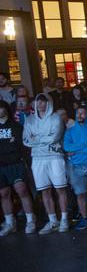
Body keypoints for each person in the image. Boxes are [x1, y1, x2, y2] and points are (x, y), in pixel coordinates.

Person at [24, 93, 69, 233]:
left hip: (54, 156)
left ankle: (64, 219)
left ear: (48, 103)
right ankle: (52, 221)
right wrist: (44, 138)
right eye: (38, 102)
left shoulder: (55, 118)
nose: (41, 104)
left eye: (43, 102)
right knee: (45, 190)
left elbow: (55, 137)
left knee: (60, 189)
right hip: (37, 158)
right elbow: (25, 140)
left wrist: (36, 138)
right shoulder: (30, 120)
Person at [0, 100, 35, 235]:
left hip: (16, 163)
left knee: (22, 190)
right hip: (1, 165)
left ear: (6, 110)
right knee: (4, 194)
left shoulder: (16, 126)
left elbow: (22, 146)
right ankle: (10, 223)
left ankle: (31, 220)